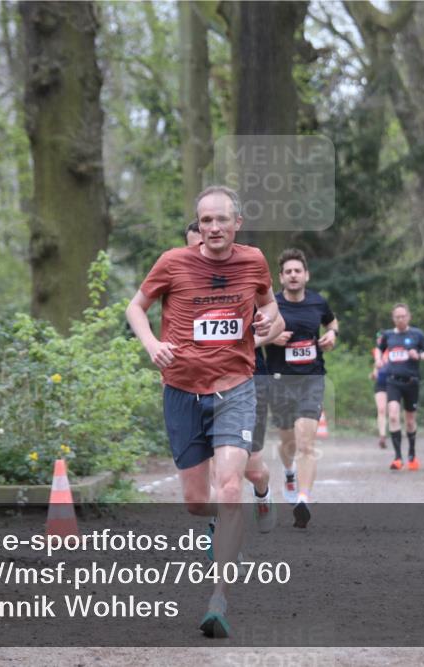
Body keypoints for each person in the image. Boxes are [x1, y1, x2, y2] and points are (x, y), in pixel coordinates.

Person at [126, 185, 280, 638]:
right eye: (206, 220)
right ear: (198, 225)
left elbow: (271, 309)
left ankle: (219, 599)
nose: (214, 228)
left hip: (235, 388)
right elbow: (136, 307)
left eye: (222, 220)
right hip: (181, 391)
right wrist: (152, 344)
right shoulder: (172, 263)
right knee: (198, 502)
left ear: (238, 223)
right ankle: (219, 519)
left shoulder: (254, 261)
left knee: (229, 486)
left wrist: (272, 323)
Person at [187, 215, 282, 531]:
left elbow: (278, 321)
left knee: (253, 470)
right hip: (201, 385)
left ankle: (262, 493)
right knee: (218, 471)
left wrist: (248, 340)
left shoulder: (243, 273)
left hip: (246, 380)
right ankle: (226, 541)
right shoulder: (183, 285)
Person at [265, 248, 337, 528]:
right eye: (288, 272)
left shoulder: (318, 303)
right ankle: (289, 472)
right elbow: (252, 333)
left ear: (306, 275)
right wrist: (271, 338)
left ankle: (303, 500)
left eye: (298, 271)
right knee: (288, 443)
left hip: (312, 379)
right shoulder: (271, 305)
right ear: (281, 278)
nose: (293, 275)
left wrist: (332, 334)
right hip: (280, 380)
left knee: (307, 444)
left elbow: (331, 322)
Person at [375, 303, 424, 470]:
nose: (400, 319)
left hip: (411, 382)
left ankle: (412, 455)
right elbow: (379, 349)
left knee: (410, 421)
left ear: (409, 317)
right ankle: (397, 458)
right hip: (393, 381)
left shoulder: (417, 334)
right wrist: (378, 359)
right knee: (393, 415)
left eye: (403, 316)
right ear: (393, 318)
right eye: (397, 317)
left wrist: (420, 355)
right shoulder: (387, 335)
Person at [371, 331, 389, 449]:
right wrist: (373, 374)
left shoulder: (391, 351)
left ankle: (393, 431)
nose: (379, 340)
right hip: (380, 384)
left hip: (393, 383)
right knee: (381, 409)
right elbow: (375, 372)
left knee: (392, 411)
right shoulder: (376, 353)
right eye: (377, 338)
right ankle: (382, 436)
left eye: (381, 338)